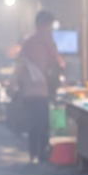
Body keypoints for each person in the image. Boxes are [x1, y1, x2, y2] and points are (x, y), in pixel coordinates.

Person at [15, 10, 65, 163]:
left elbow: (20, 65)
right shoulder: (47, 40)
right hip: (42, 90)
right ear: (45, 24)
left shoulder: (28, 42)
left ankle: (33, 153)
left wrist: (16, 83)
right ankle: (42, 153)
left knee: (32, 122)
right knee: (43, 122)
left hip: (28, 91)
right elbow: (58, 63)